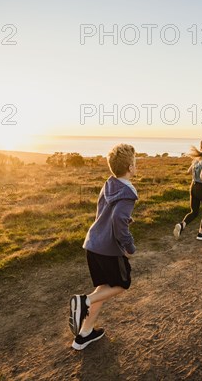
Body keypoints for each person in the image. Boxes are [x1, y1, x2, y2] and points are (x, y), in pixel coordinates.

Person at [69, 144, 138, 350]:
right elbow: (117, 218)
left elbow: (106, 212)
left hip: (93, 243)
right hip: (108, 248)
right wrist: (129, 246)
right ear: (130, 167)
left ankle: (84, 335)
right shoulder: (128, 191)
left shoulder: (110, 184)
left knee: (103, 288)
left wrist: (126, 219)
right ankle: (84, 301)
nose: (136, 165)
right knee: (122, 284)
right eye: (135, 162)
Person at [173, 139, 202, 241]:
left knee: (194, 211)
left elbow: (188, 172)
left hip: (193, 187)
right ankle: (201, 233)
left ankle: (182, 225)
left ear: (201, 148)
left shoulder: (196, 159)